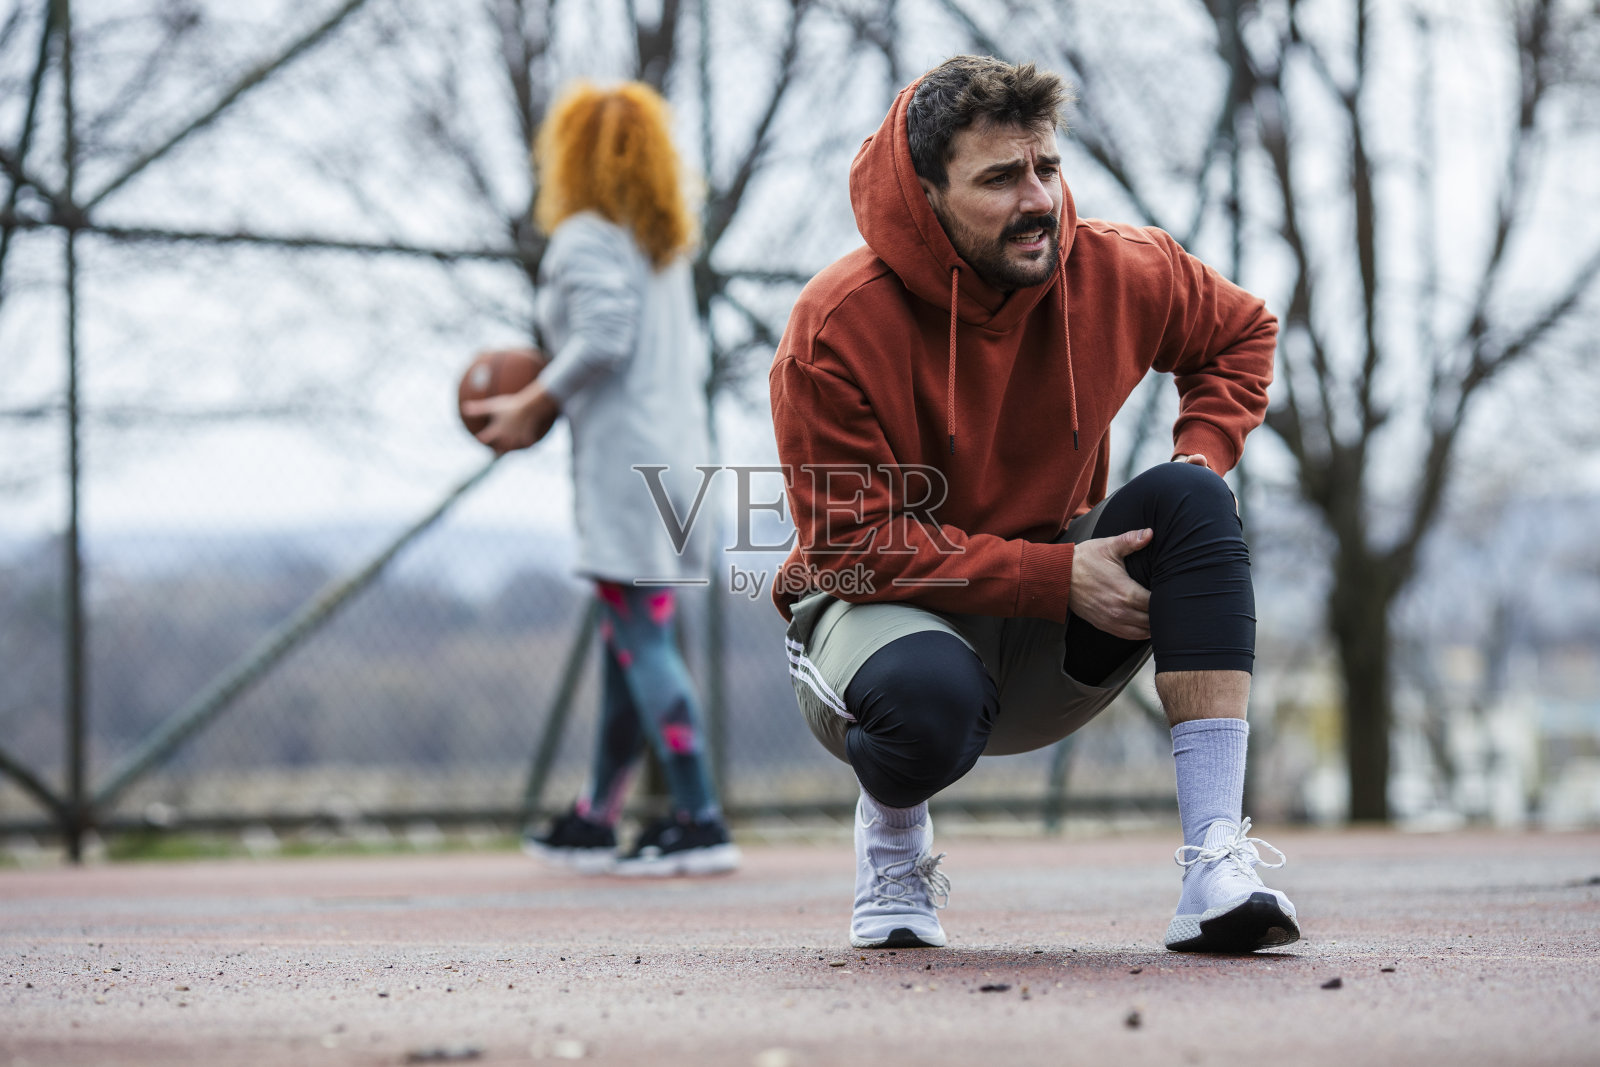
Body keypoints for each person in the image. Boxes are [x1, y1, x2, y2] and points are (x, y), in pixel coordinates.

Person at [770, 55, 1297, 951]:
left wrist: (1201, 452)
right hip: (882, 620)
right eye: (999, 178)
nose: (1039, 199)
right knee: (926, 699)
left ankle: (1216, 861)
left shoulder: (1119, 268)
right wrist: (1054, 576)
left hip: (1048, 629)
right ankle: (892, 841)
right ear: (927, 195)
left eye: (1046, 166)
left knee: (1193, 502)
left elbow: (1242, 331)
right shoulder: (834, 327)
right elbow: (854, 546)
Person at [465, 81, 738, 877]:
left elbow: (604, 336)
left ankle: (699, 816)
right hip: (684, 463)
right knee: (631, 642)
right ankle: (596, 816)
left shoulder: (585, 237)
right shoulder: (662, 249)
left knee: (642, 639)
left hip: (627, 468)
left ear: (573, 155)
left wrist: (531, 400)